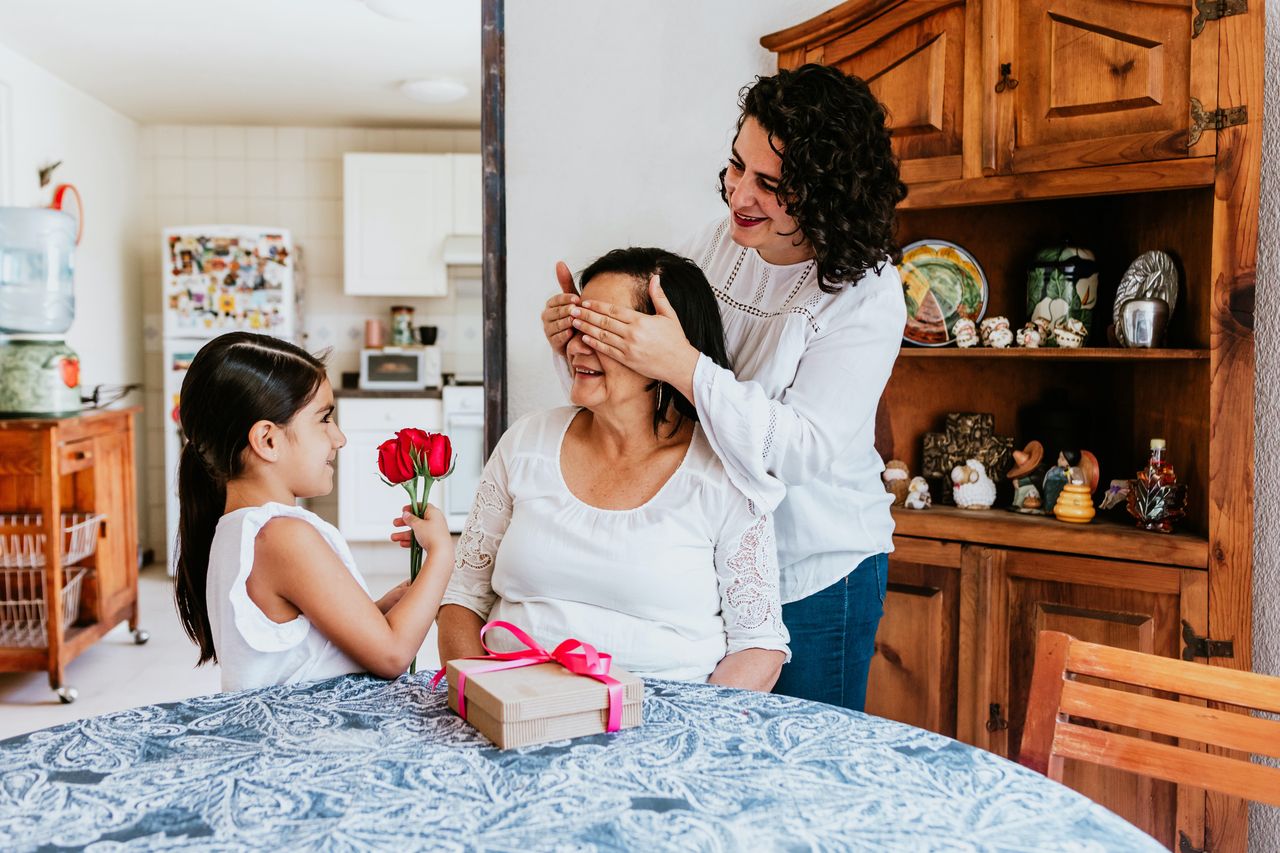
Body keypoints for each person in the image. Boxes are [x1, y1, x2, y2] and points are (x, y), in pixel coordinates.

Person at [542, 64, 907, 711]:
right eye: (737, 167)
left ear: (825, 195)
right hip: (720, 552)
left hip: (814, 565)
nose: (739, 194)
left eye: (769, 184)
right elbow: (645, 382)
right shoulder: (721, 243)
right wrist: (583, 337)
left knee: (799, 764)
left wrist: (683, 364)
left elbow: (798, 448)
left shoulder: (868, 295)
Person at [438, 248, 789, 688]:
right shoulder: (526, 443)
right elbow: (462, 600)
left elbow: (758, 646)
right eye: (579, 323)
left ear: (667, 350)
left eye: (607, 330)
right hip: (513, 712)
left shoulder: (723, 474)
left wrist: (687, 742)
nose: (578, 345)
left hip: (661, 727)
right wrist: (482, 702)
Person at [172, 331, 453, 692]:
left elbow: (302, 649)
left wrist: (380, 610)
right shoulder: (283, 536)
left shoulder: (236, 529)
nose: (339, 437)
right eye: (324, 419)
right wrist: (441, 554)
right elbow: (393, 655)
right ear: (268, 440)